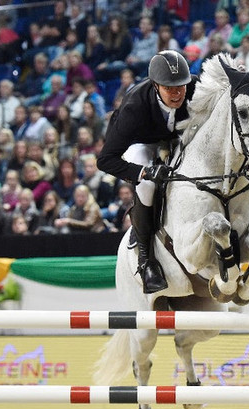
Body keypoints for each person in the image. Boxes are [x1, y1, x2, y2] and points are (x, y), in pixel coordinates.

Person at [97, 50, 196, 293]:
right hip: (140, 143)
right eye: (169, 88)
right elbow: (105, 160)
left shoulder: (195, 89)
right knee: (149, 186)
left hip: (179, 137)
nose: (177, 93)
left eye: (181, 86)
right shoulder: (134, 108)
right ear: (155, 86)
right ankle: (146, 260)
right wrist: (144, 172)